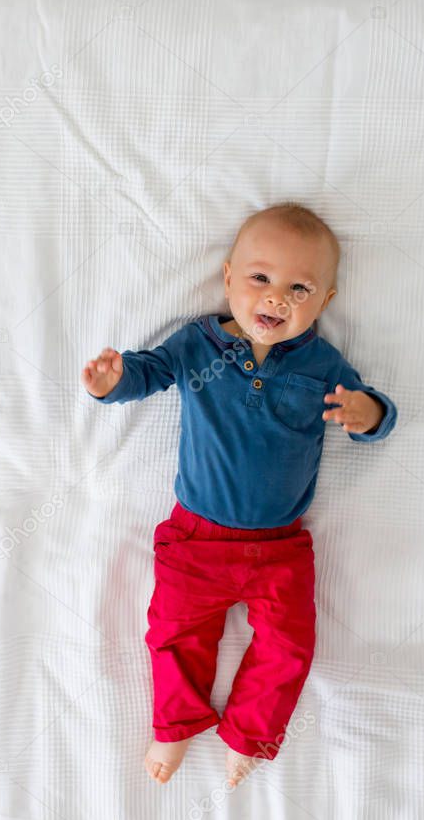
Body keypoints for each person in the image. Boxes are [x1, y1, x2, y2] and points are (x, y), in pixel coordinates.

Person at [81, 202, 398, 788]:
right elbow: (149, 371)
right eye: (261, 279)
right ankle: (174, 726)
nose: (276, 299)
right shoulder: (198, 345)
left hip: (279, 547)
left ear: (325, 301)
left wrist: (367, 412)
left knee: (290, 647)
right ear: (228, 278)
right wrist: (114, 380)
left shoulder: (324, 363)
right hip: (196, 537)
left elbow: (380, 415)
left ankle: (249, 733)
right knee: (173, 634)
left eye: (298, 288)